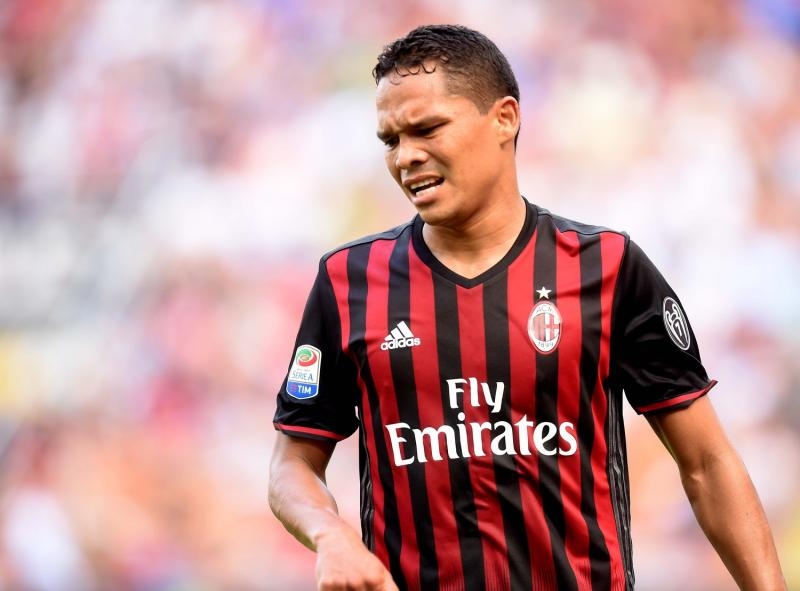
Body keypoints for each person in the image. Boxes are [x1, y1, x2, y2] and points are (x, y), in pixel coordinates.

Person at [269, 24, 786, 591]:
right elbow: (292, 461)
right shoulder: (348, 281)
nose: (406, 156)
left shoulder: (607, 268)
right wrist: (330, 534)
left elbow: (707, 464)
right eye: (391, 140)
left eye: (427, 128)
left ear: (505, 119)